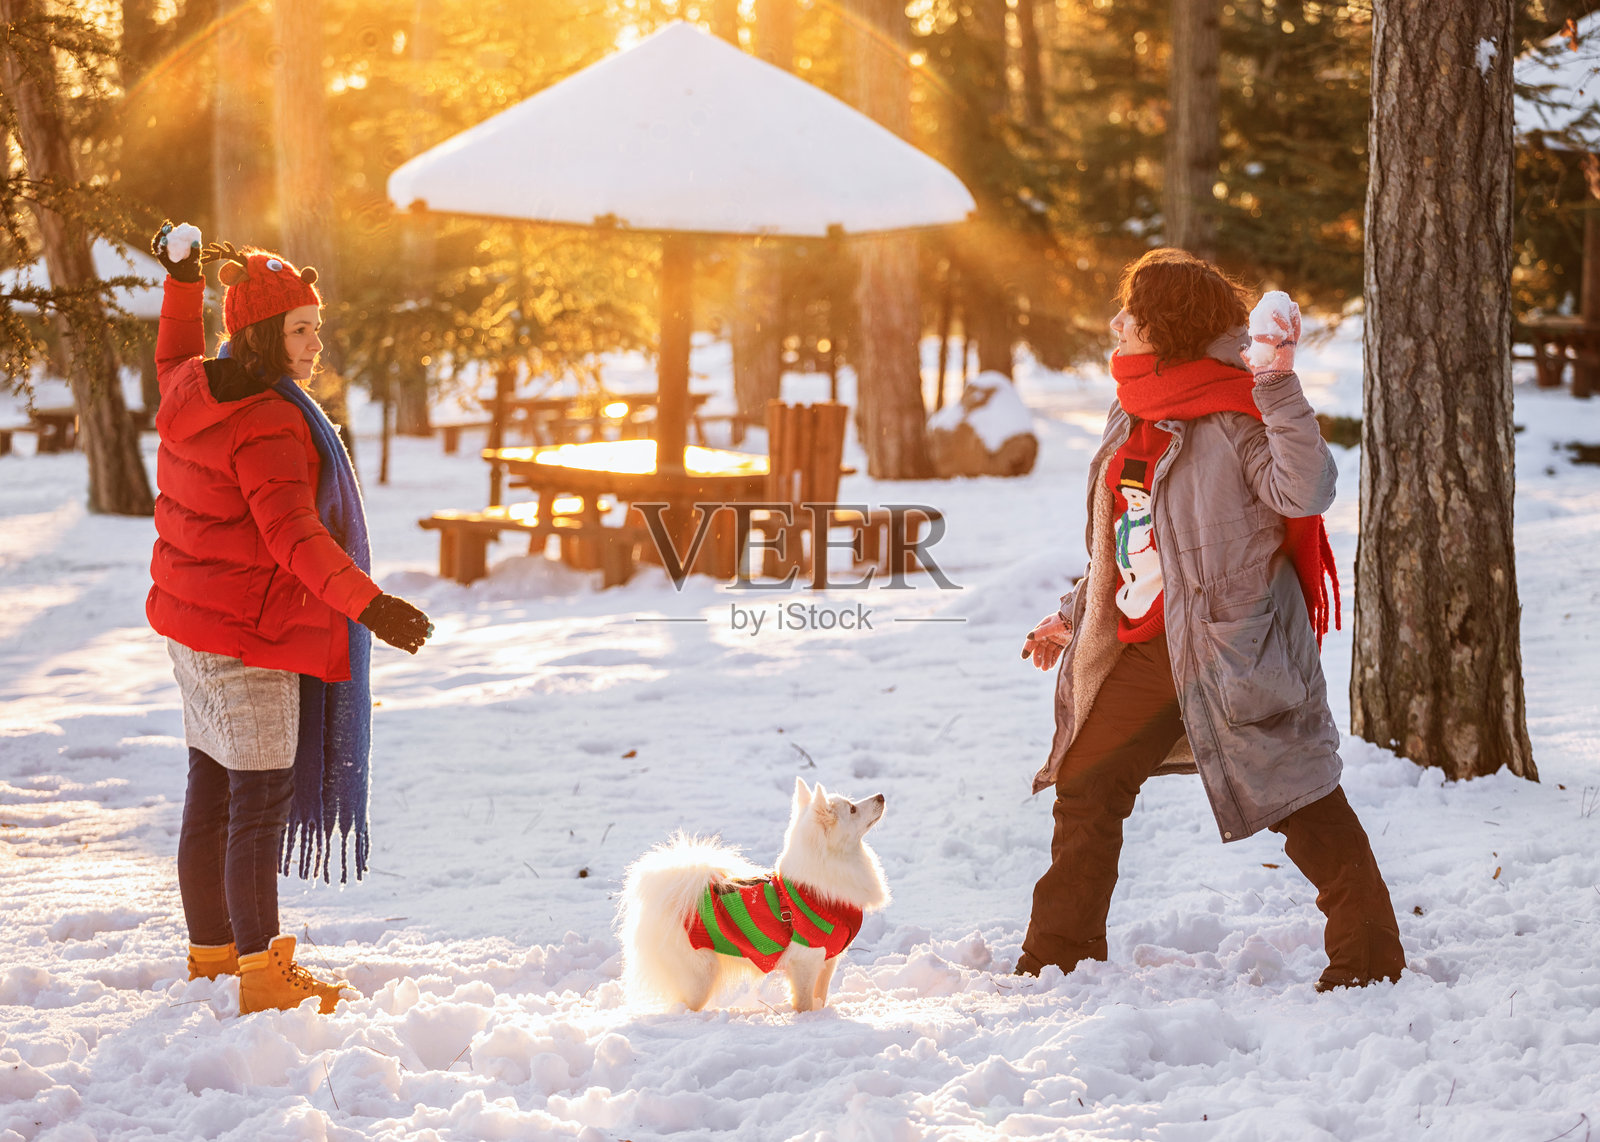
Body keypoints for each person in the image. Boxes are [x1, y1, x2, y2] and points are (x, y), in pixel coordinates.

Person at [1017, 248, 1404, 992]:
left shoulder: (1239, 411)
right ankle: (1057, 958)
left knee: (1303, 799)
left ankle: (1371, 960)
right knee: (1087, 788)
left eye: (1129, 312)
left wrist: (1281, 386)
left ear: (1162, 327)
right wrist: (1077, 612)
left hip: (1232, 651)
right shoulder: (1133, 404)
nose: (1115, 323)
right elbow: (1130, 536)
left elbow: (1307, 490)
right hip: (1141, 648)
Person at [147, 221, 433, 1015]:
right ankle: (262, 978)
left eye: (319, 329)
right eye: (303, 330)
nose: (316, 346)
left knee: (212, 790)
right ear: (268, 333)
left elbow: (171, 353)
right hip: (248, 638)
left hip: (194, 626)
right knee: (257, 803)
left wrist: (180, 283)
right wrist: (369, 605)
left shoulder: (195, 386)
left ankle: (212, 957)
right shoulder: (271, 421)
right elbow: (293, 535)